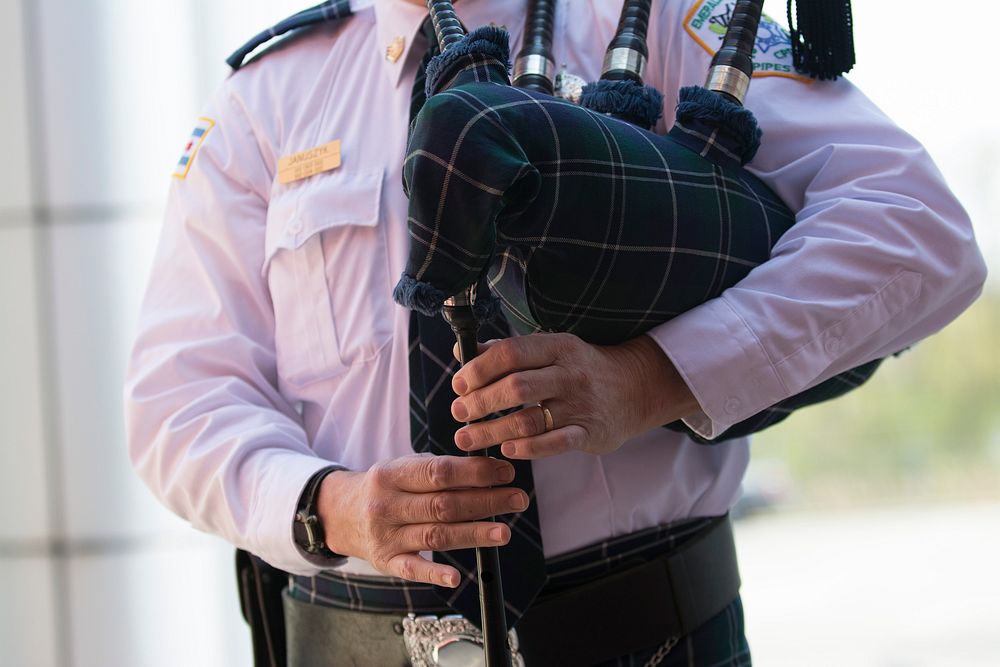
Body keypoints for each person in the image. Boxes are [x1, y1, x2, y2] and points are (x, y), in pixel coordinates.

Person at [124, 0, 987, 664]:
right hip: (348, 636)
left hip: (647, 633)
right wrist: (328, 507)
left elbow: (916, 230)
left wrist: (653, 378)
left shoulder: (658, 19)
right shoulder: (268, 96)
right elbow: (181, 399)